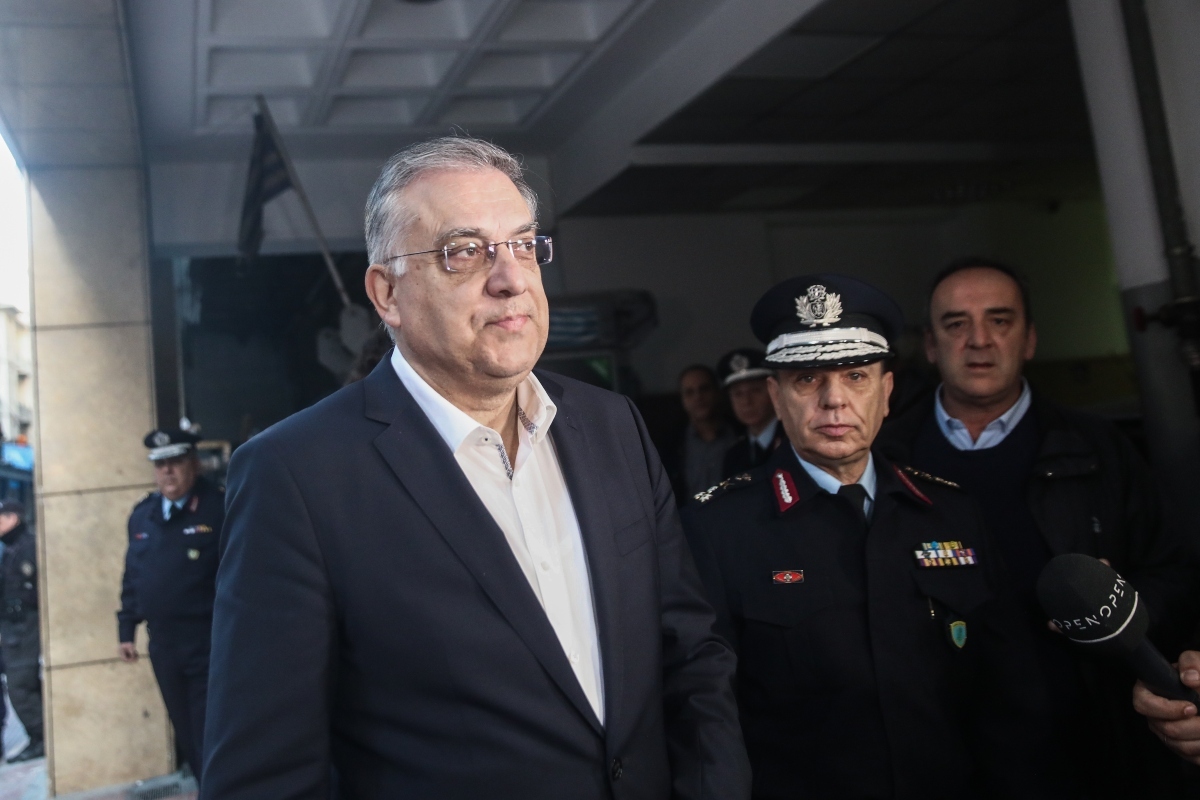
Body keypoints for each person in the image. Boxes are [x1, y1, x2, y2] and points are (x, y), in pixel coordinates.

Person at [200, 137, 750, 799]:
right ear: (387, 292)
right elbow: (265, 775)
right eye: (464, 251)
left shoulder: (612, 425)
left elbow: (691, 650)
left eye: (524, 245)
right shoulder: (295, 476)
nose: (511, 278)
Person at [683, 275, 1053, 799]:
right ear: (776, 397)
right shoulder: (717, 529)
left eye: (856, 376)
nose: (834, 401)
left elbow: (1010, 694)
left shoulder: (950, 515)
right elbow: (705, 715)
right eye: (807, 379)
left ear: (887, 392)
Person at [877, 257, 1199, 797]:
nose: (979, 340)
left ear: (1029, 339)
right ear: (930, 345)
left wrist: (1123, 603)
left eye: (1000, 320)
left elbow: (1177, 575)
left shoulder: (1099, 449)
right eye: (956, 324)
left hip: (1094, 751)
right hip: (942, 758)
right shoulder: (884, 460)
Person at [118, 429, 225, 784]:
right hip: (164, 644)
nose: (167, 472)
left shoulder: (218, 507)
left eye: (175, 462)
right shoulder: (143, 515)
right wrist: (126, 628)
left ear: (194, 464)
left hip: (209, 642)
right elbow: (133, 575)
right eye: (160, 464)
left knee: (212, 731)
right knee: (186, 731)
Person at [0, 500, 42, 762]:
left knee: (20, 687)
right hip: (13, 630)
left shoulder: (27, 547)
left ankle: (41, 738)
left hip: (24, 629)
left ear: (12, 518)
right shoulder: (11, 549)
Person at [717, 348, 784, 477]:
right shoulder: (734, 455)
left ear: (773, 391)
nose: (746, 401)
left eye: (755, 390)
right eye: (738, 394)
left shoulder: (793, 441)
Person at [673, 364, 736, 501]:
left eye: (704, 389)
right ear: (682, 399)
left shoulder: (739, 434)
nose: (698, 397)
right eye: (689, 392)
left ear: (717, 392)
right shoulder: (672, 445)